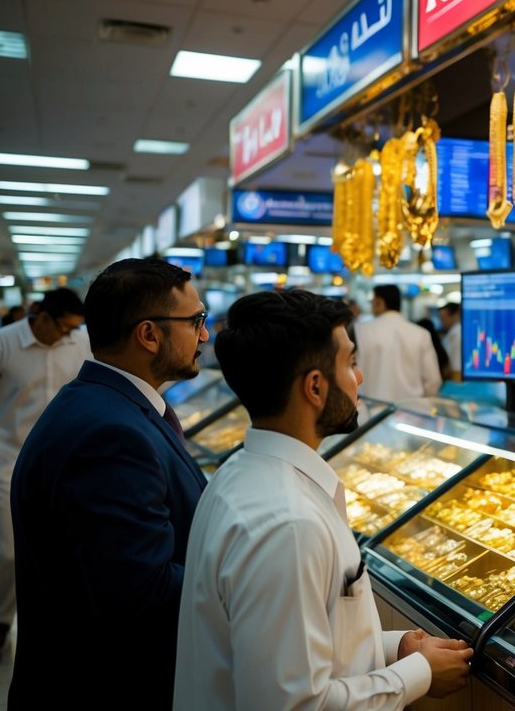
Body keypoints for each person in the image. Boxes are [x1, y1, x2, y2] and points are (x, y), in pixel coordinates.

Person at [174, 290, 472, 709]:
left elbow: (296, 644)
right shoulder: (287, 525)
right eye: (350, 362)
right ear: (315, 387)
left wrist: (396, 647)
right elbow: (294, 703)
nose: (360, 377)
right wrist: (418, 674)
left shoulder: (241, 474)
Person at [9, 259, 209, 708]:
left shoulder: (107, 405)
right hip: (106, 687)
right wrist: (242, 573)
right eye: (196, 321)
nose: (204, 335)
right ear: (148, 334)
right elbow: (141, 594)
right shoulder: (110, 435)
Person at [0, 288, 90, 666]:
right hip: (5, 461)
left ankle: (50, 631)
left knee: (57, 550)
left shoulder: (81, 343)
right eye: (62, 327)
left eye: (73, 329)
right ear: (39, 314)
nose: (67, 335)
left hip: (62, 465)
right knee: (7, 552)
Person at [354, 285, 442, 404]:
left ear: (379, 302)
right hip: (412, 412)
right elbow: (433, 381)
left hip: (369, 412)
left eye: (372, 302)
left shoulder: (360, 331)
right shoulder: (421, 334)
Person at [438, 302, 462, 381]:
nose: (442, 321)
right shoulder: (453, 333)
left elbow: (456, 368)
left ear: (455, 315)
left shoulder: (457, 334)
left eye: (444, 317)